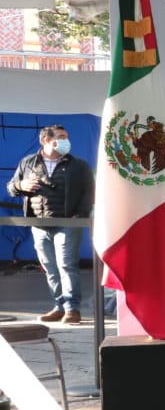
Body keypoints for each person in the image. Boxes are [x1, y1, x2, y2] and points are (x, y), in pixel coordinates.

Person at [7, 124, 95, 324]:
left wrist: (80, 215)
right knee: (49, 267)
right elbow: (11, 187)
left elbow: (89, 191)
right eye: (61, 137)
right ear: (46, 140)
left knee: (66, 265)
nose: (66, 141)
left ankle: (72, 309)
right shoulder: (27, 163)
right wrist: (21, 185)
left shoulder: (78, 165)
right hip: (39, 224)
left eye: (66, 136)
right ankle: (59, 306)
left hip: (68, 223)